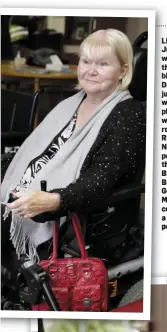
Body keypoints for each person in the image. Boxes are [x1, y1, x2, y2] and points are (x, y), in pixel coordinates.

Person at [1, 29, 146, 267]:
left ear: (124, 71)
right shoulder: (71, 103)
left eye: (102, 64)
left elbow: (98, 181)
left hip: (77, 213)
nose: (90, 70)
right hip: (35, 192)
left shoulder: (128, 116)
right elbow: (41, 156)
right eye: (86, 61)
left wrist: (54, 201)